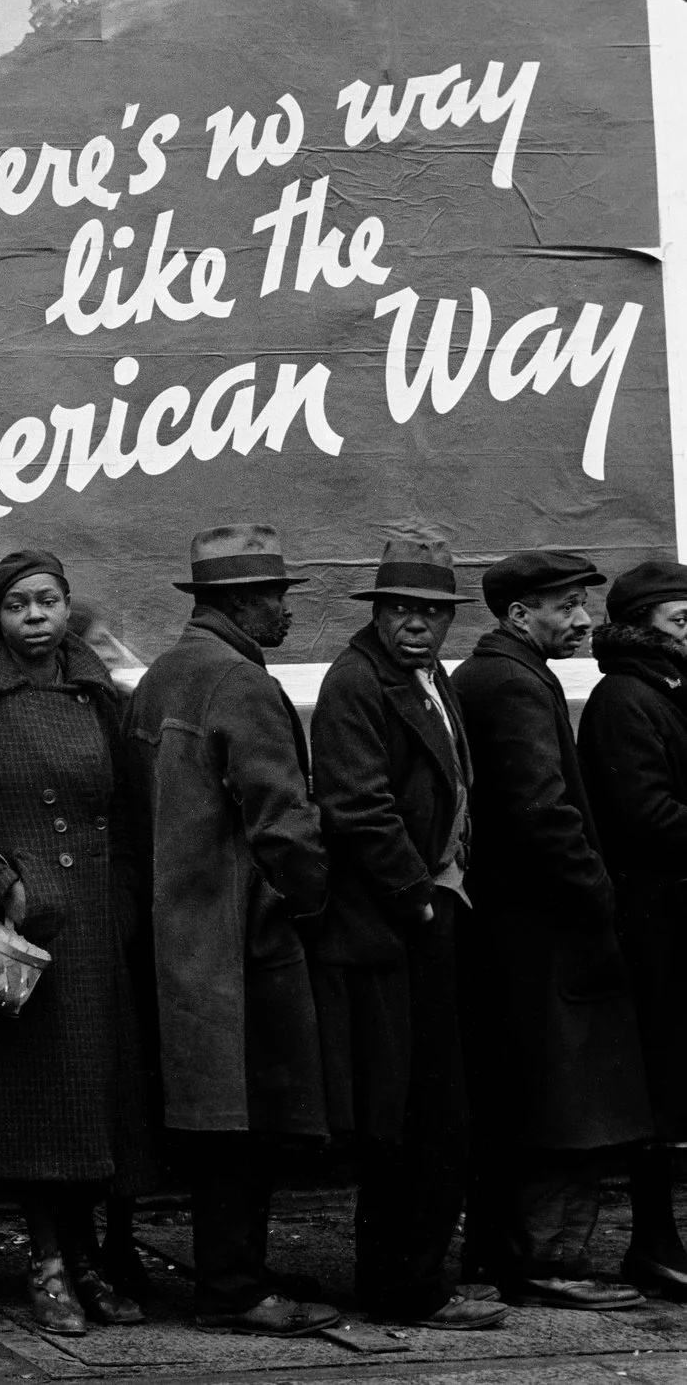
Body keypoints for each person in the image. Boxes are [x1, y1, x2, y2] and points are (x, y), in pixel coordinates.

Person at [0, 549, 149, 1338]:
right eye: (18, 605)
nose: (35, 616)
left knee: (94, 1109)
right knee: (40, 1110)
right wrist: (4, 886)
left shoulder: (95, 692)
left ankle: (84, 1257)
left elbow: (130, 801)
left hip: (95, 928)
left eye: (48, 600)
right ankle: (46, 1260)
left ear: (66, 605)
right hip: (22, 939)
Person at [128, 526, 336, 1338]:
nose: (285, 606)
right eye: (277, 593)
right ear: (242, 602)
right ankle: (233, 1287)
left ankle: (232, 1272)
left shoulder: (161, 674)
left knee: (216, 1119)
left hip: (177, 935)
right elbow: (285, 823)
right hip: (242, 940)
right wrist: (311, 902)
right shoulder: (240, 682)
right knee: (245, 1121)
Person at [305, 539, 505, 1331]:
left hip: (435, 908)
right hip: (393, 926)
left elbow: (452, 783)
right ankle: (404, 1284)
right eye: (402, 610)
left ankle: (417, 1272)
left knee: (436, 1105)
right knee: (412, 1108)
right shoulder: (356, 681)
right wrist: (418, 898)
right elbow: (356, 805)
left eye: (431, 612)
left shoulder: (428, 678)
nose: (417, 624)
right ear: (378, 613)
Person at [456, 549, 651, 1308]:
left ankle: (504, 1253)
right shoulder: (512, 681)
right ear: (518, 615)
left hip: (516, 928)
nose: (582, 620)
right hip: (545, 931)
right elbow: (544, 812)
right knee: (562, 1099)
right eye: (567, 606)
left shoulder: (491, 673)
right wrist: (599, 896)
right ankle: (545, 1262)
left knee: (529, 1093)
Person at [576, 558, 687, 1300]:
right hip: (657, 924)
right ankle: (655, 1243)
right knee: (662, 1089)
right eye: (680, 619)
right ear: (642, 624)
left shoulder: (669, 693)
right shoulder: (625, 699)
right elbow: (643, 816)